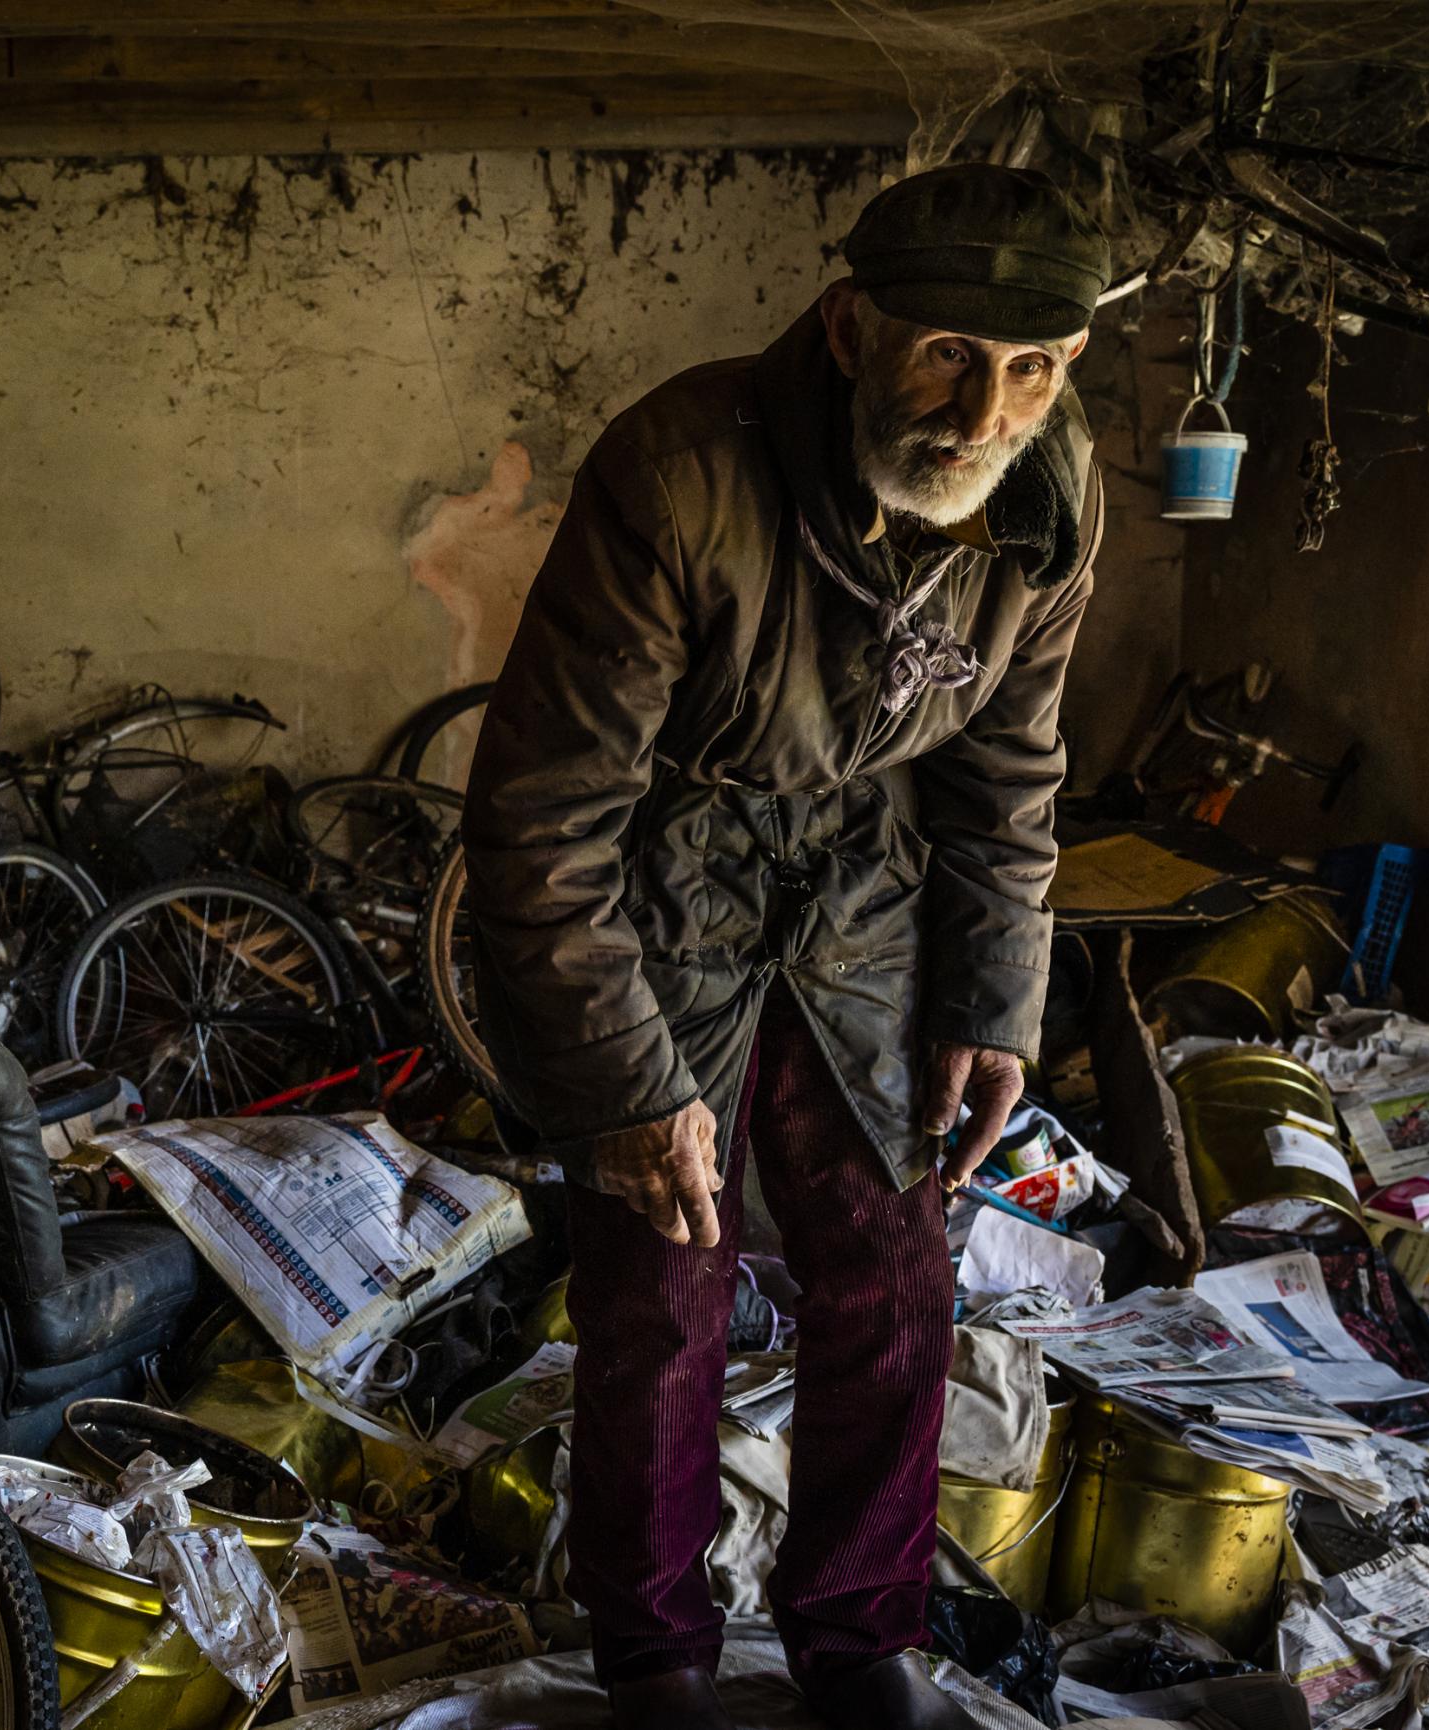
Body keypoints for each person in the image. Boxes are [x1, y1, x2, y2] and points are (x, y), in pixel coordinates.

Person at [462, 164, 1109, 1730]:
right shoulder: (682, 471)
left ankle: (857, 1631)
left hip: (865, 895)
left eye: (1031, 368)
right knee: (659, 1280)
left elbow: (1007, 775)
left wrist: (986, 996)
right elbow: (544, 811)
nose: (984, 411)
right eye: (948, 352)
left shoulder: (1048, 495)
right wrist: (622, 1089)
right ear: (850, 328)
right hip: (661, 872)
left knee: (897, 1271)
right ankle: (657, 1651)